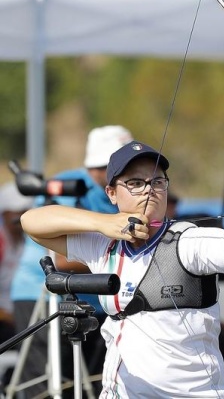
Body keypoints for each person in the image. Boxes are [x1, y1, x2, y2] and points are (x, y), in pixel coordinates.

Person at [20, 140, 224, 398]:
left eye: (157, 182)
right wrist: (105, 223)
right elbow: (32, 222)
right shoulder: (103, 244)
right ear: (111, 193)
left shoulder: (189, 241)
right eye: (135, 183)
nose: (149, 191)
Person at [10, 125, 133, 398]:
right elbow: (62, 261)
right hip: (41, 297)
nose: (128, 174)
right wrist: (126, 259)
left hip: (91, 302)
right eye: (120, 166)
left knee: (94, 385)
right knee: (46, 389)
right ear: (101, 165)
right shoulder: (70, 185)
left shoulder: (116, 192)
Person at [0, 183, 34, 343]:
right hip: (7, 319)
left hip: (22, 314)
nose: (23, 215)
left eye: (26, 210)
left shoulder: (28, 240)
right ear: (5, 213)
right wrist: (9, 316)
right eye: (19, 211)